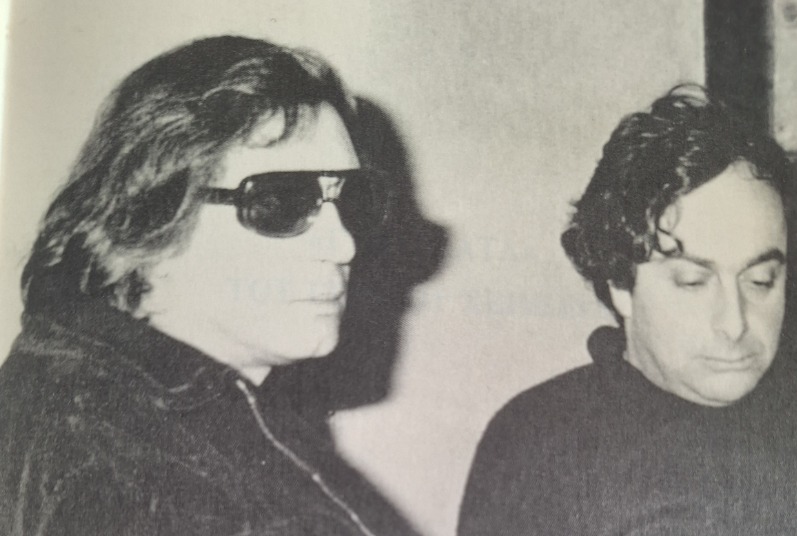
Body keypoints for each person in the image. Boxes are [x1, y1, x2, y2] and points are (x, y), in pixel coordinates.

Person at [0, 36, 418, 535]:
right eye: (279, 203)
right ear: (153, 218)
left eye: (352, 200)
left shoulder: (101, 401)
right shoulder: (133, 472)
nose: (343, 244)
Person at [459, 85, 797, 535]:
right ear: (621, 283)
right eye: (693, 282)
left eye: (761, 281)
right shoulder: (539, 445)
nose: (735, 323)